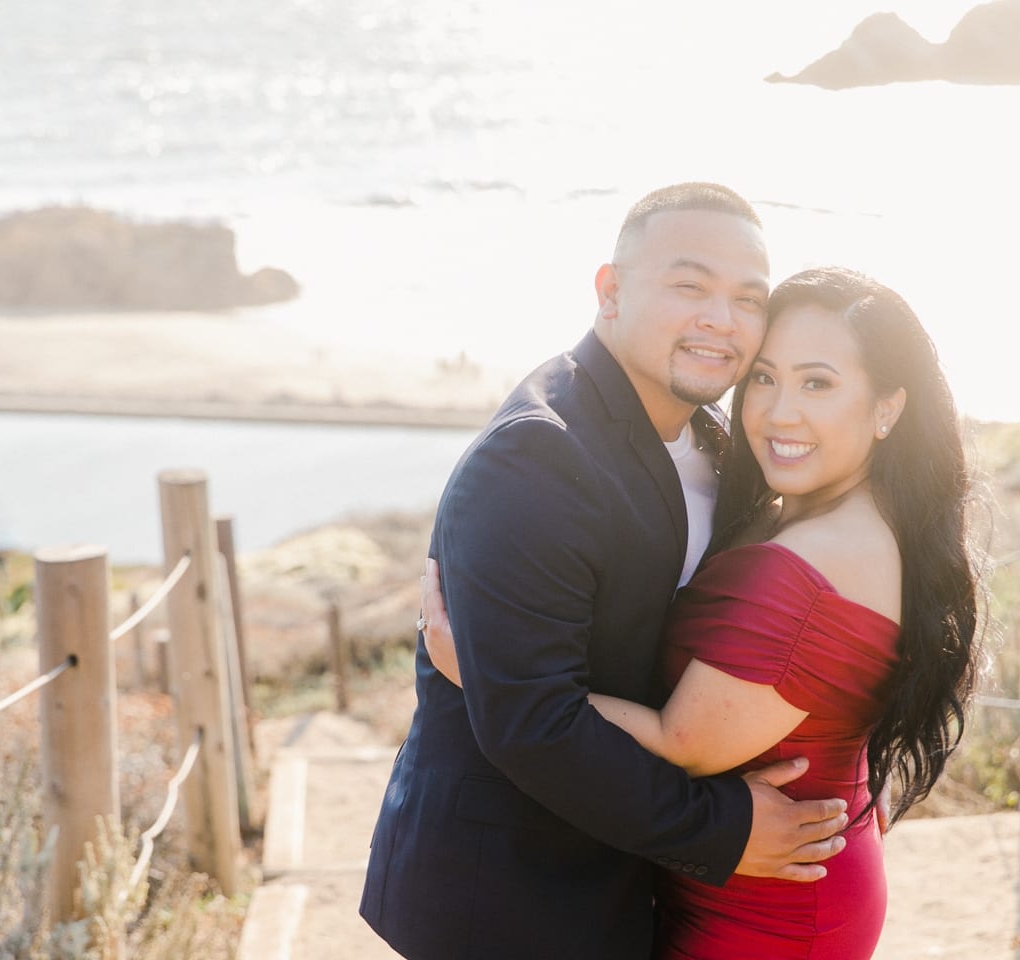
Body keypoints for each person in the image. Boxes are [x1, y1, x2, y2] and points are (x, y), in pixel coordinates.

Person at [420, 266, 980, 957]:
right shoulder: (821, 512)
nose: (778, 413)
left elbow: (683, 741)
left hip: (770, 907)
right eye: (765, 378)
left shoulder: (823, 556)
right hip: (782, 872)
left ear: (888, 407)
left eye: (818, 383)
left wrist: (488, 673)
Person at [360, 183, 851, 960]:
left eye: (747, 299)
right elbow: (533, 725)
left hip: (627, 875)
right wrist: (722, 829)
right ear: (611, 291)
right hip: (509, 895)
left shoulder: (722, 443)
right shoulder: (538, 455)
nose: (721, 321)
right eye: (690, 286)